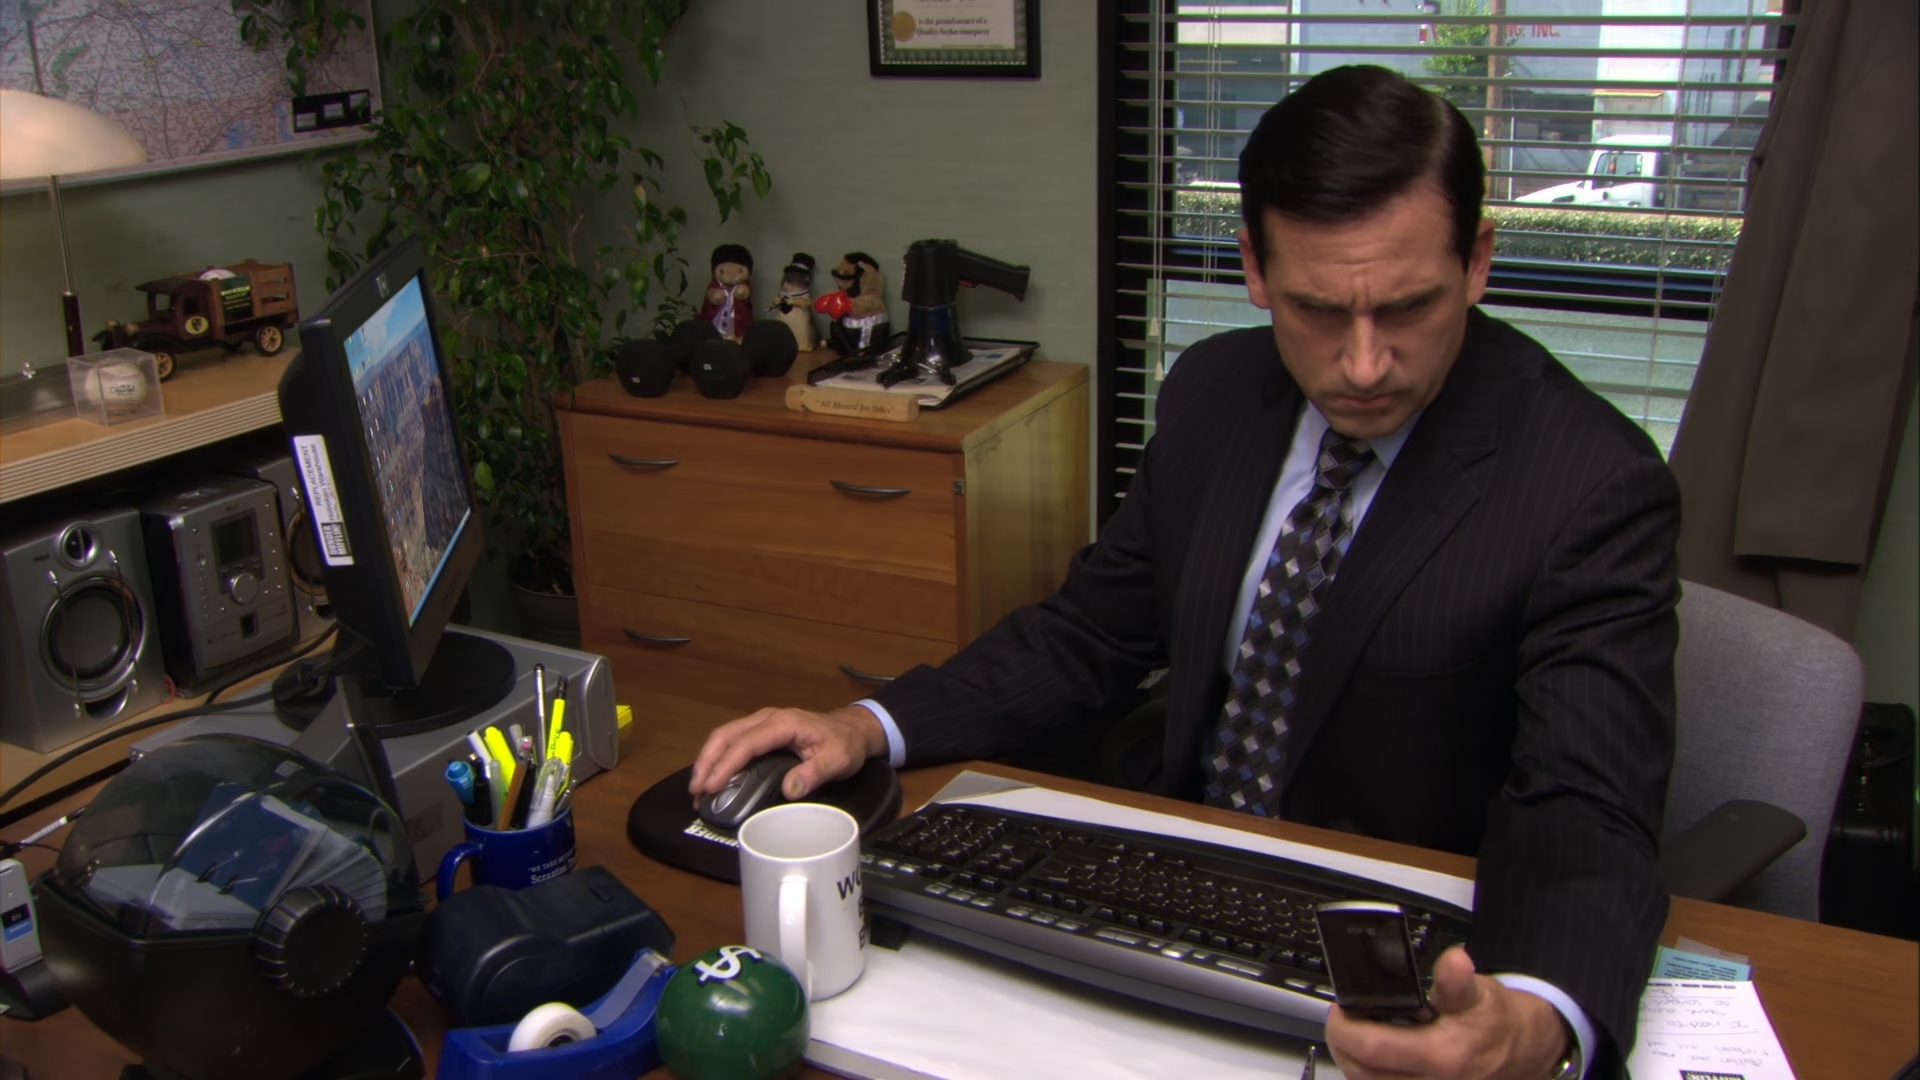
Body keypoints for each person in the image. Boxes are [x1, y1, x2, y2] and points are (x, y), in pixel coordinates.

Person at [692, 64, 1677, 1080]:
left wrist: (1539, 1019)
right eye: (1318, 310)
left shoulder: (1590, 482)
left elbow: (1586, 803)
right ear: (1254, 268)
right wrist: (869, 725)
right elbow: (1089, 632)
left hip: (1408, 956)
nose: (1364, 364)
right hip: (1172, 887)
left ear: (1476, 261)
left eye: (1409, 307)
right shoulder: (1216, 391)